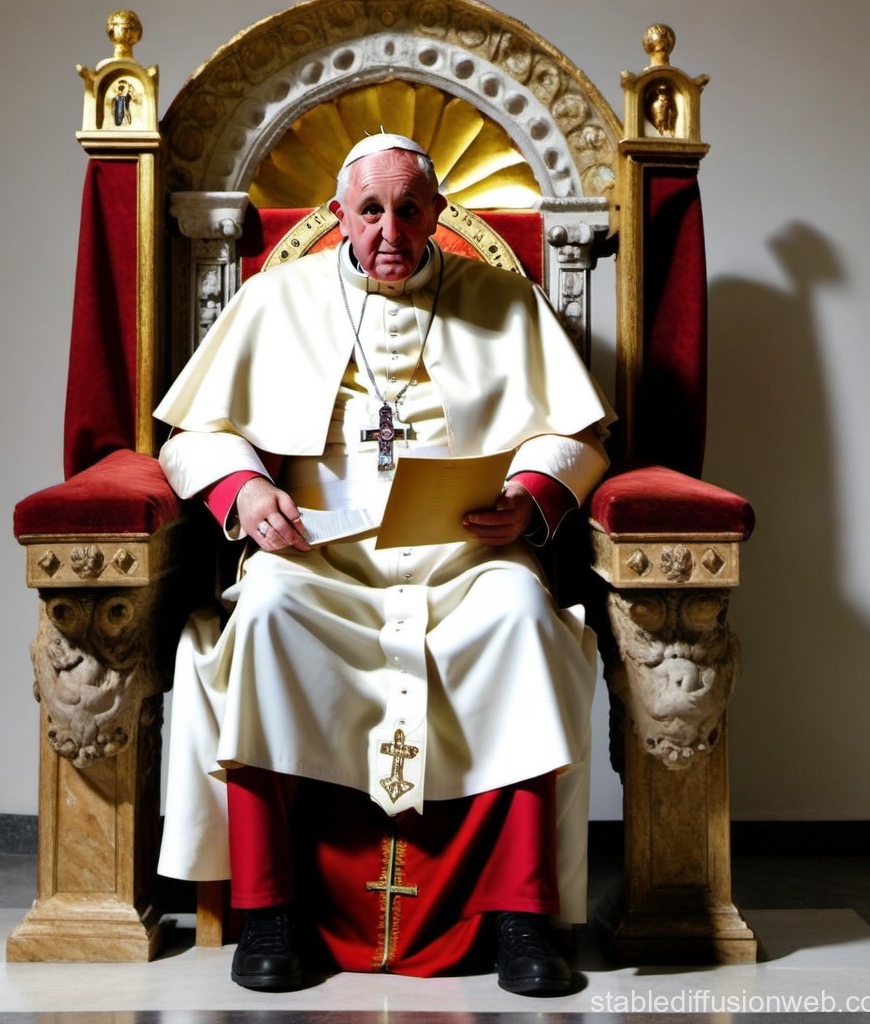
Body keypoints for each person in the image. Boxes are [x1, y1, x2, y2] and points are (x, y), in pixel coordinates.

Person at [154, 134, 613, 995]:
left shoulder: (503, 301)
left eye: (409, 209)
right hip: (319, 563)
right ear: (340, 217)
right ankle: (269, 910)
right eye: (371, 210)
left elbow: (574, 432)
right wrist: (250, 495)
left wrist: (526, 491)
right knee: (262, 619)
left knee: (521, 619)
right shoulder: (274, 299)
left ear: (440, 214)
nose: (391, 230)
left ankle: (520, 919)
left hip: (467, 563)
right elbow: (200, 433)